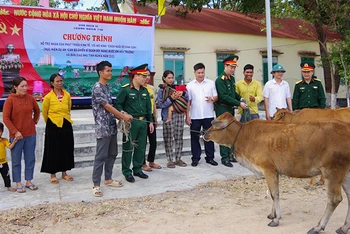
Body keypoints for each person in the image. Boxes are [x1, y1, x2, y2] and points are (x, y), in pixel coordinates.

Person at [91, 61, 132, 197]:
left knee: (112, 153)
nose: (110, 73)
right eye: (107, 71)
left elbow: (111, 106)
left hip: (111, 125)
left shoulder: (106, 88)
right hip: (102, 127)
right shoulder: (97, 88)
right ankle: (96, 184)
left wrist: (122, 114)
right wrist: (122, 116)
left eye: (111, 70)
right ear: (100, 72)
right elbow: (106, 106)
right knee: (101, 156)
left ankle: (108, 179)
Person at [115, 64, 154, 183]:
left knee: (141, 147)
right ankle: (127, 171)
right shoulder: (126, 89)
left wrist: (151, 122)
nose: (145, 79)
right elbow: (118, 105)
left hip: (143, 122)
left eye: (145, 76)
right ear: (135, 76)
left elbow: (149, 107)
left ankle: (137, 168)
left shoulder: (145, 91)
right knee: (128, 147)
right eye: (143, 76)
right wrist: (123, 115)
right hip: (130, 123)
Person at [2, 77, 40, 193]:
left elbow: (37, 110)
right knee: (16, 160)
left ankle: (29, 181)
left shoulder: (30, 98)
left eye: (26, 86)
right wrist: (15, 131)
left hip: (30, 134)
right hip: (17, 137)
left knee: (30, 158)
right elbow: (6, 118)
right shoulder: (10, 100)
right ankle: (18, 182)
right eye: (22, 86)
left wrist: (33, 122)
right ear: (15, 87)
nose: (25, 88)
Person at [40, 73, 75, 184]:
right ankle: (53, 174)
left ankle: (64, 173)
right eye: (57, 81)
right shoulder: (48, 97)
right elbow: (45, 112)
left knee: (66, 148)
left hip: (66, 123)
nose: (60, 83)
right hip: (53, 125)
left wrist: (65, 118)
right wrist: (51, 122)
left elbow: (68, 108)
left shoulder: (67, 95)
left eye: (61, 81)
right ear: (52, 83)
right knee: (53, 149)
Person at [215, 55, 247, 167]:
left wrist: (240, 98)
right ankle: (224, 158)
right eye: (231, 67)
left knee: (231, 132)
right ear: (225, 66)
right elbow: (224, 96)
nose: (233, 69)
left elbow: (233, 94)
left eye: (234, 67)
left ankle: (230, 154)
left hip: (230, 109)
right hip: (222, 108)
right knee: (223, 132)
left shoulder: (231, 79)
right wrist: (239, 103)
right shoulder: (220, 80)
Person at [186, 63, 218, 167]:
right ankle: (195, 158)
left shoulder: (211, 83)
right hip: (195, 116)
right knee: (194, 137)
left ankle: (210, 158)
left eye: (202, 72)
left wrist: (212, 99)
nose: (201, 74)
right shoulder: (190, 85)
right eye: (198, 73)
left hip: (208, 115)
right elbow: (188, 102)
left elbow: (216, 96)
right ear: (194, 73)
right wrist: (187, 115)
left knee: (209, 136)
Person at [157, 70, 189, 168]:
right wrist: (171, 98)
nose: (171, 80)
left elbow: (187, 97)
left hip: (179, 114)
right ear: (164, 78)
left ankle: (178, 158)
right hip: (167, 115)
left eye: (172, 78)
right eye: (168, 78)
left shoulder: (177, 88)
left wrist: (182, 93)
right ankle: (170, 160)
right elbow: (161, 104)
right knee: (168, 138)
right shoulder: (161, 90)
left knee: (179, 136)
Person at [142, 69, 162, 171]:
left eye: (149, 75)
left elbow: (153, 104)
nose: (147, 78)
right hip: (142, 118)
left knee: (153, 141)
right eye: (145, 75)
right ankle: (142, 163)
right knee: (142, 142)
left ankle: (151, 161)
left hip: (151, 117)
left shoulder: (151, 88)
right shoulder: (139, 88)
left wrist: (155, 118)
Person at [0, 122, 17, 192]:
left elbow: (10, 147)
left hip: (3, 162)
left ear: (2, 131)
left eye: (0, 131)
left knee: (6, 175)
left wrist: (14, 141)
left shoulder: (4, 140)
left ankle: (8, 186)